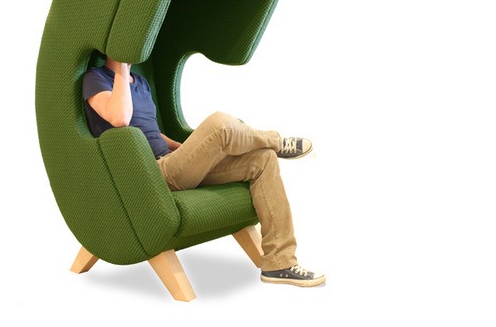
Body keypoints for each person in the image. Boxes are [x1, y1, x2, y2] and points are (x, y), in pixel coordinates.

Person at [82, 56, 325, 287]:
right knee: (219, 124)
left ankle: (280, 264)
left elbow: (151, 131)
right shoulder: (95, 78)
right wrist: (121, 66)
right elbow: (120, 119)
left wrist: (182, 148)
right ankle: (277, 141)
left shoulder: (141, 82)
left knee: (263, 159)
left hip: (172, 162)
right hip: (150, 174)